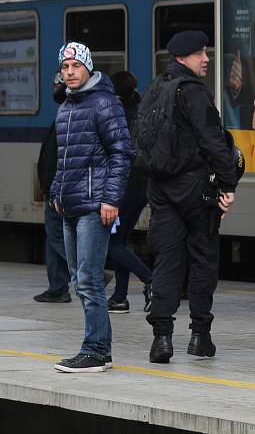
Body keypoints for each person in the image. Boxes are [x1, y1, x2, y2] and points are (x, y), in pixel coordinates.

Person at [145, 31, 238, 363]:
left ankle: (162, 339)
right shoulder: (194, 93)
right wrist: (228, 187)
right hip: (196, 190)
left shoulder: (155, 89)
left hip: (161, 190)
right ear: (184, 57)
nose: (207, 59)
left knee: (167, 263)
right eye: (201, 53)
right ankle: (200, 336)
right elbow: (214, 142)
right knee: (202, 260)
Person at [50, 42, 133, 373]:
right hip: (70, 205)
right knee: (79, 278)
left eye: (75, 66)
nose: (69, 72)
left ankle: (96, 350)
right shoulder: (66, 107)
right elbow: (64, 159)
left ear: (88, 67)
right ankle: (97, 348)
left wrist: (111, 199)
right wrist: (57, 193)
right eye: (64, 67)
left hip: (94, 206)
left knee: (89, 280)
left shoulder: (104, 103)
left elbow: (122, 153)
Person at [106, 71, 153, 314]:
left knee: (112, 243)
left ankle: (150, 280)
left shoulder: (116, 115)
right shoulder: (141, 112)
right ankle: (119, 298)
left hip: (121, 189)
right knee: (120, 241)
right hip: (141, 187)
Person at [33, 74, 71, 303]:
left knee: (56, 234)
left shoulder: (68, 114)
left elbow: (59, 157)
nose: (54, 87)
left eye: (57, 83)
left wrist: (53, 187)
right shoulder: (64, 111)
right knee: (52, 236)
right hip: (55, 186)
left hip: (59, 188)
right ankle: (57, 287)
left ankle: (89, 270)